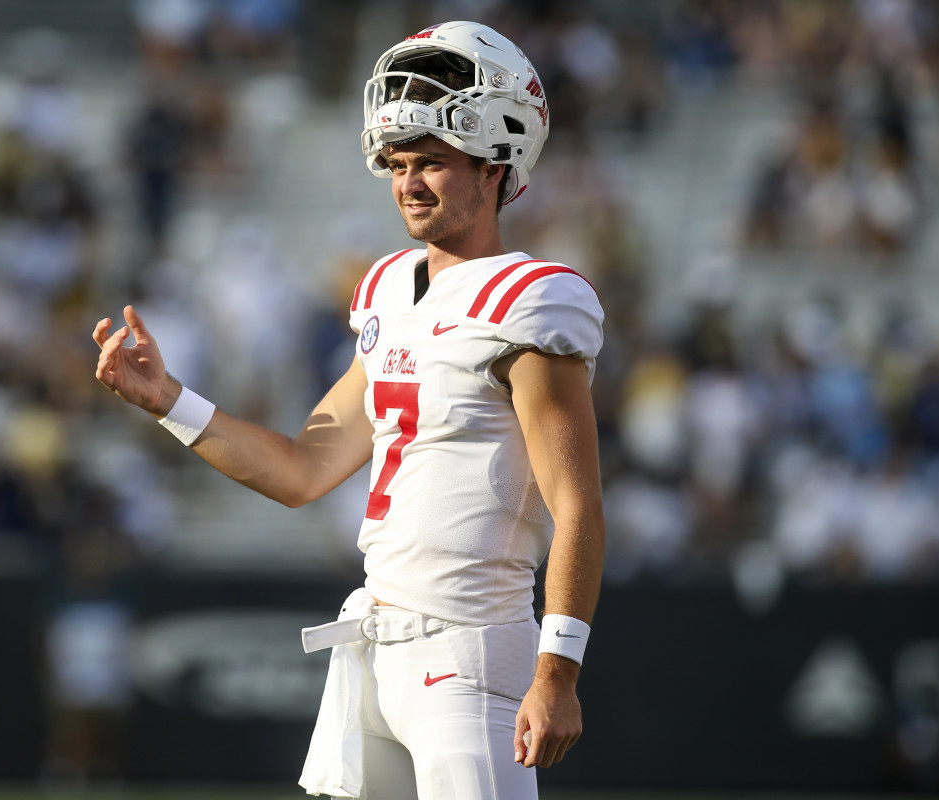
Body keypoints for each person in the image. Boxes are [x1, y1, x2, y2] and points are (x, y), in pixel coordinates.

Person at [93, 21, 605, 800]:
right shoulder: (389, 287)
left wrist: (558, 669)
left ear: (497, 164)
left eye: (432, 160)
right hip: (372, 648)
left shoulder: (530, 301)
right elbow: (303, 467)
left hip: (468, 655)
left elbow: (578, 506)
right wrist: (169, 400)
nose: (408, 182)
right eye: (398, 163)